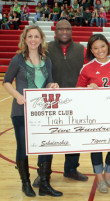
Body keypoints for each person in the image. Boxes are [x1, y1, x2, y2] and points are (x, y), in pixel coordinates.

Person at [3, 25, 63, 197]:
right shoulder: (18, 59)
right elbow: (6, 81)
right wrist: (17, 95)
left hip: (41, 112)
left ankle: (44, 183)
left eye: (36, 36)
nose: (33, 39)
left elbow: (49, 82)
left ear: (41, 39)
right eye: (30, 36)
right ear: (25, 39)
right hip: (21, 111)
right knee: (23, 147)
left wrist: (53, 85)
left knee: (45, 146)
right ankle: (25, 183)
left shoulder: (47, 60)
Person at [32, 20, 89, 187]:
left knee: (74, 137)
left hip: (75, 100)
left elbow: (89, 71)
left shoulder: (81, 49)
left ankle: (71, 169)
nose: (64, 31)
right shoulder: (46, 48)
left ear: (71, 31)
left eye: (67, 29)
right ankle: (43, 173)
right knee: (47, 138)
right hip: (51, 101)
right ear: (55, 31)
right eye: (60, 29)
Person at [76, 34, 110, 193]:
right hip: (96, 114)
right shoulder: (87, 68)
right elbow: (77, 89)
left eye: (102, 46)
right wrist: (87, 89)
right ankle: (99, 178)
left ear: (108, 46)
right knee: (97, 145)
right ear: (91, 51)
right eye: (95, 48)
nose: (100, 50)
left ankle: (108, 174)